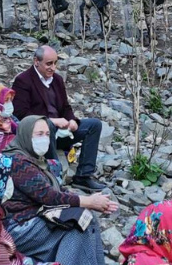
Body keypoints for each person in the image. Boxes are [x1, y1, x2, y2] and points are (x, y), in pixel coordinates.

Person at [2, 116, 117, 265]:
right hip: (18, 227)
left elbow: (55, 189)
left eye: (47, 134)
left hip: (35, 217)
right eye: (39, 134)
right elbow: (48, 196)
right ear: (25, 135)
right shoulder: (17, 161)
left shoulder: (34, 158)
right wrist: (88, 201)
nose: (44, 139)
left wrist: (87, 202)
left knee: (85, 219)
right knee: (76, 227)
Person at [11, 45, 107, 191]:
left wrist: (72, 121)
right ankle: (55, 177)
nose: (53, 67)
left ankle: (83, 177)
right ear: (36, 61)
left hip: (61, 131)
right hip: (38, 134)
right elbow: (21, 114)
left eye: (55, 63)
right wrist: (53, 121)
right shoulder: (23, 80)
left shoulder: (57, 80)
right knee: (47, 126)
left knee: (94, 125)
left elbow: (65, 108)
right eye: (49, 63)